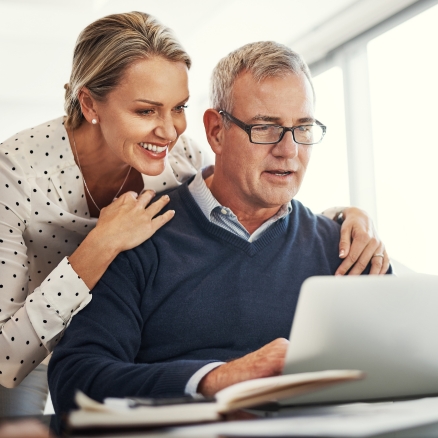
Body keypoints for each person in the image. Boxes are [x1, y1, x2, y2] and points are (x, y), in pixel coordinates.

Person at [48, 40, 392, 426]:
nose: (288, 151)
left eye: (303, 128)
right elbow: (74, 386)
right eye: (265, 128)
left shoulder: (347, 249)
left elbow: (406, 365)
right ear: (216, 131)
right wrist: (214, 379)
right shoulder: (138, 236)